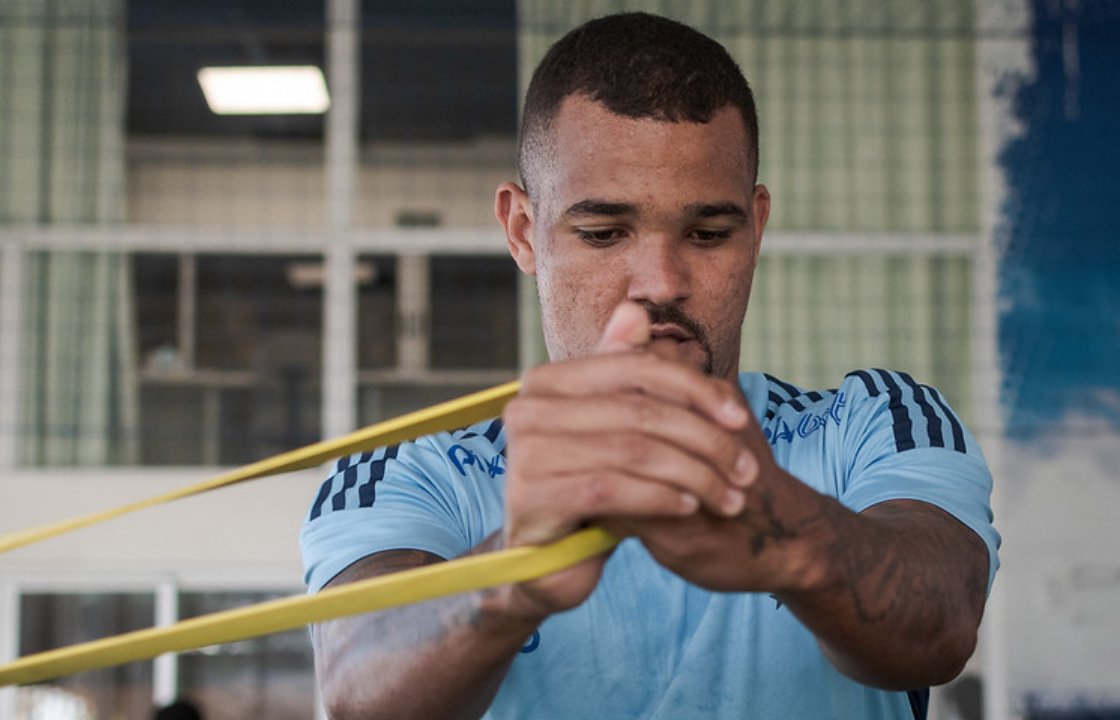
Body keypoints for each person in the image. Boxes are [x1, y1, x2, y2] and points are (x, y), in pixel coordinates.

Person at [300, 11, 999, 720]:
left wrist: (792, 538)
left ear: (755, 231)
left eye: (708, 233)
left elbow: (945, 621)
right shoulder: (407, 470)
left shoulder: (874, 422)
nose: (660, 281)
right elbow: (357, 689)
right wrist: (513, 572)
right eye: (604, 233)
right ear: (523, 232)